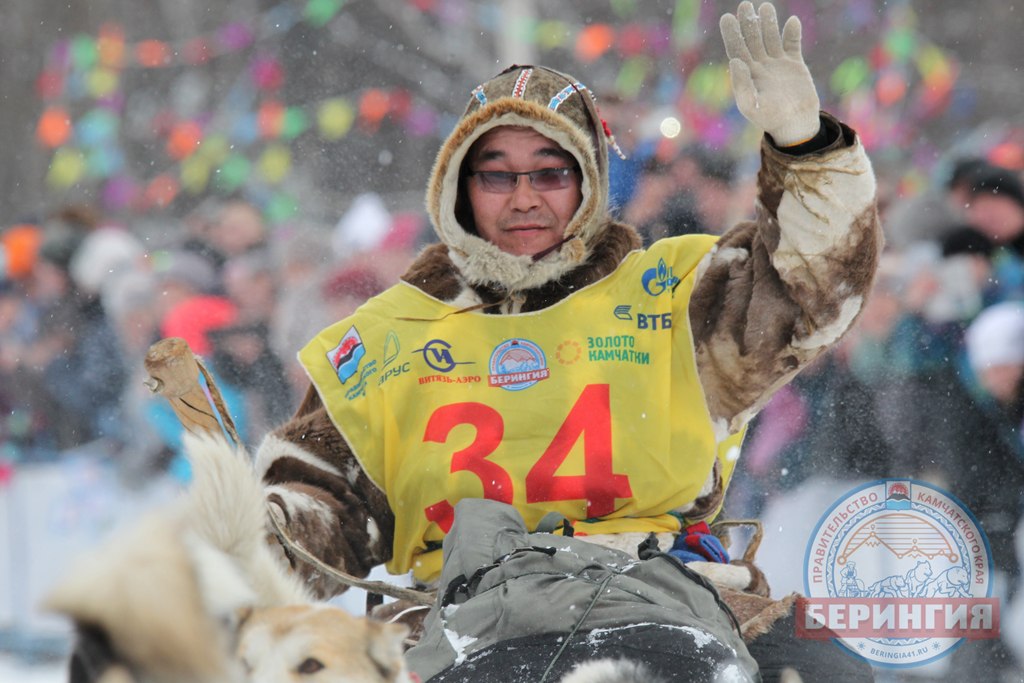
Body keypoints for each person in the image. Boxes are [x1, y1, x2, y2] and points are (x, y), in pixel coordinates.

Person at [254, 2, 881, 680]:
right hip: (457, 615)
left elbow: (812, 288)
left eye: (550, 172)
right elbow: (317, 512)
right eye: (497, 174)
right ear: (459, 186)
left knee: (833, 670)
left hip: (665, 586)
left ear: (587, 181)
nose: (524, 198)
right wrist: (246, 534)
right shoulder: (384, 336)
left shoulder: (675, 294)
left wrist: (806, 151)